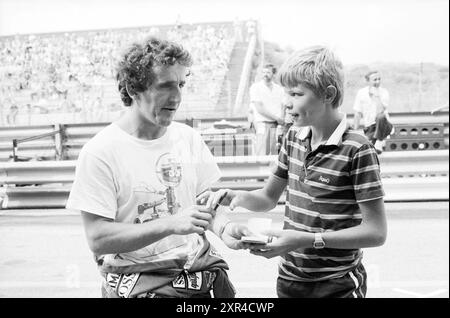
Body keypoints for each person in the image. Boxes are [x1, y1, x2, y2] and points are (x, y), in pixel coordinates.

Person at [66, 36, 248, 298]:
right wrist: (171, 224)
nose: (176, 97)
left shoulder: (188, 138)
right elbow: (98, 238)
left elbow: (204, 206)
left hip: (201, 277)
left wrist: (225, 229)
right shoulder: (100, 152)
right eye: (165, 86)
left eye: (181, 84)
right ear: (132, 89)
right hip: (138, 284)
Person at [200, 46, 387, 298]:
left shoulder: (358, 149)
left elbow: (375, 232)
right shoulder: (292, 138)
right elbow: (267, 199)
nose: (286, 102)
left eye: (296, 93)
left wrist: (307, 240)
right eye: (286, 93)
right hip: (289, 280)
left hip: (337, 284)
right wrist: (235, 196)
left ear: (328, 95)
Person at [249, 64, 285, 155]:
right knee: (262, 152)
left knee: (274, 153)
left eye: (268, 72)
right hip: (262, 123)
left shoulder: (279, 89)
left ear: (273, 74)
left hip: (277, 124)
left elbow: (283, 105)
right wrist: (277, 118)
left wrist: (281, 119)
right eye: (263, 72)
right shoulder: (256, 87)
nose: (265, 74)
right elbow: (259, 108)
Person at [353, 70, 392, 154]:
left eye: (379, 79)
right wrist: (354, 131)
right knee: (366, 147)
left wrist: (376, 96)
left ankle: (379, 141)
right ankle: (376, 140)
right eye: (375, 80)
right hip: (370, 127)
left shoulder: (384, 92)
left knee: (380, 117)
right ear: (368, 81)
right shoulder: (361, 93)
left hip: (384, 125)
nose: (378, 81)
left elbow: (381, 111)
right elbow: (358, 113)